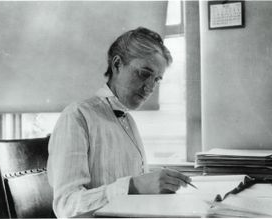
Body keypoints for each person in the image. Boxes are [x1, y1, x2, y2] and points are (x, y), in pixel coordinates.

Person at [47, 27, 192, 217]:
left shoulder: (128, 120)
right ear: (117, 65)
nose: (150, 88)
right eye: (144, 73)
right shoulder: (77, 116)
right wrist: (132, 186)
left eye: (157, 80)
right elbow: (65, 205)